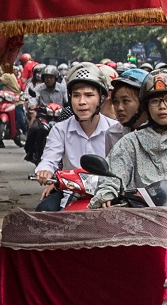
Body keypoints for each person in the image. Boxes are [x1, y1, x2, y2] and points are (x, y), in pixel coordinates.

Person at [95, 70, 167, 206]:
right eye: (155, 101)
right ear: (146, 106)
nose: (162, 106)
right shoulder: (130, 143)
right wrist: (107, 192)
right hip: (140, 222)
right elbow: (113, 177)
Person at [35, 64, 126, 209]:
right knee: (43, 212)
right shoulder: (60, 129)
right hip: (70, 194)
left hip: (107, 195)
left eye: (89, 95)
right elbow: (50, 158)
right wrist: (44, 170)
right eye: (76, 95)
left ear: (102, 98)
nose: (82, 102)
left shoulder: (116, 130)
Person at [108, 66, 148, 130]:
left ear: (143, 103)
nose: (119, 108)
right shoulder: (113, 134)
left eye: (125, 101)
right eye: (116, 101)